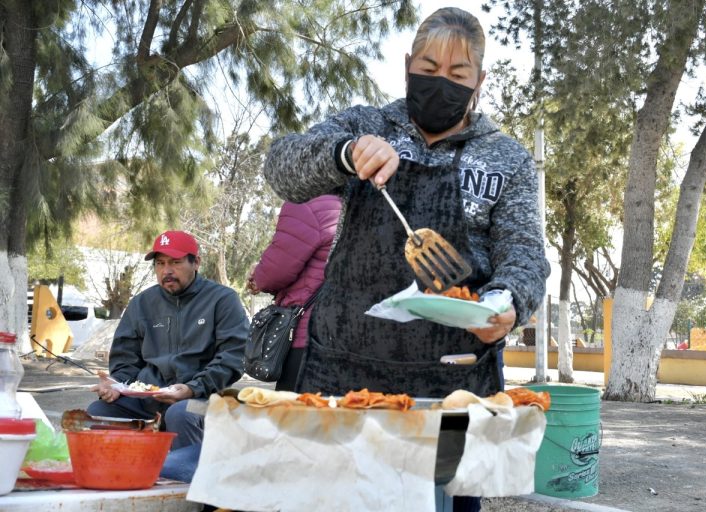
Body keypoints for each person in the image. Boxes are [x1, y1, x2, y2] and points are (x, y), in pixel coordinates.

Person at [264, 7, 549, 400]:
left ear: (479, 81)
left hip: (454, 380)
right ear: (408, 66)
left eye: (458, 75)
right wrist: (345, 154)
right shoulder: (367, 125)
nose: (441, 84)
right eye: (429, 70)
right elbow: (280, 167)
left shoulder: (507, 158)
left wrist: (508, 300)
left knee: (446, 465)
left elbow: (525, 253)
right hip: (342, 373)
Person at [87, 230, 249, 458]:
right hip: (148, 399)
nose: (167, 271)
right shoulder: (141, 304)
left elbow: (233, 358)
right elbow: (125, 360)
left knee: (181, 413)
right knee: (99, 412)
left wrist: (193, 388)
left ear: (196, 263)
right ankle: (126, 479)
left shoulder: (222, 300)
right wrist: (116, 385)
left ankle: (188, 486)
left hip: (205, 399)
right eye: (160, 263)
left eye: (175, 262)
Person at [246, 194, 342, 391]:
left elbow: (274, 272)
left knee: (294, 416)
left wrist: (257, 275)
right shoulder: (364, 205)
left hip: (307, 337)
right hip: (352, 337)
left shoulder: (307, 205)